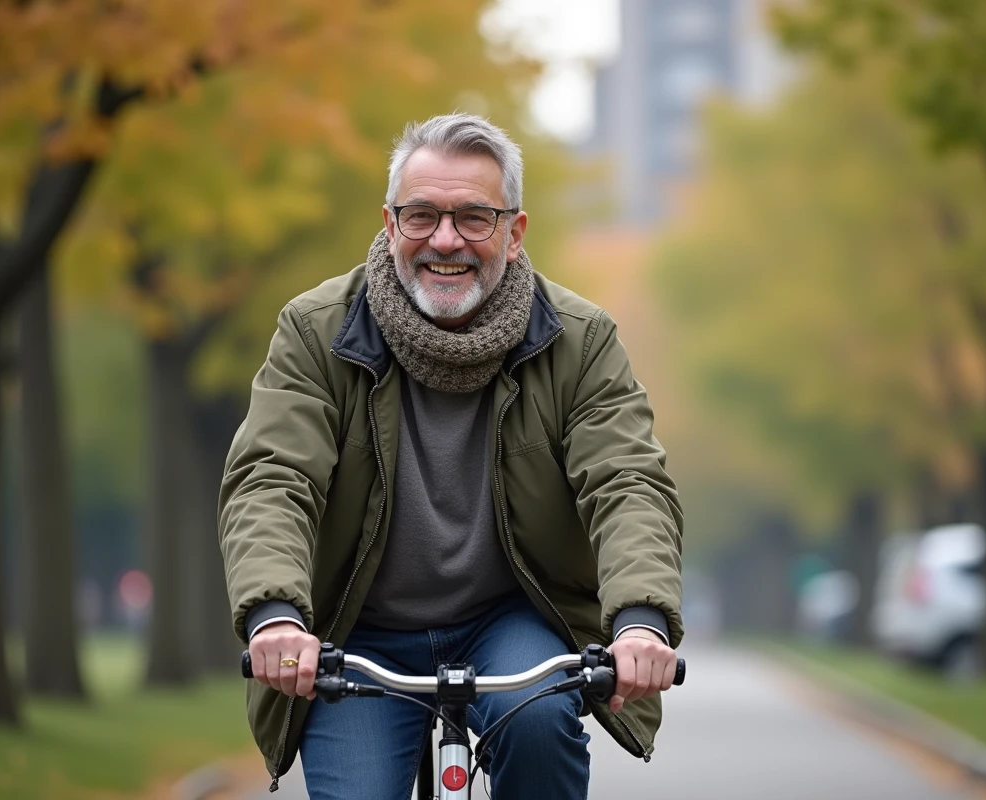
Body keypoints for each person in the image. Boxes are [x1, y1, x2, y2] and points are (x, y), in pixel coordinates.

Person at [219, 112, 684, 800]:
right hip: (360, 633)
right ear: (389, 223)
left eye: (474, 217)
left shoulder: (579, 342)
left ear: (514, 233)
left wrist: (641, 618)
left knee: (541, 727)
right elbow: (272, 477)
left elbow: (627, 481)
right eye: (422, 216)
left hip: (512, 620)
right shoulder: (314, 332)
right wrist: (277, 615)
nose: (445, 240)